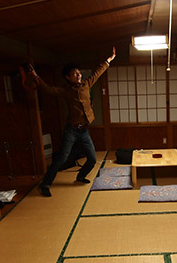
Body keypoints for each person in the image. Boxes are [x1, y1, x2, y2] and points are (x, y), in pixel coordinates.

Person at [26, 47, 116, 197]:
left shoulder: (87, 84)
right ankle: (45, 184)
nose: (78, 75)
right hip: (71, 131)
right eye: (74, 73)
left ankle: (80, 176)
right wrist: (35, 76)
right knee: (62, 158)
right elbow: (48, 89)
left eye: (78, 72)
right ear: (68, 77)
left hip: (84, 131)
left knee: (92, 159)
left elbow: (98, 72)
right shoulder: (65, 90)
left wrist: (109, 60)